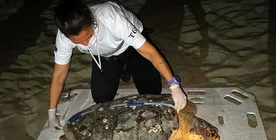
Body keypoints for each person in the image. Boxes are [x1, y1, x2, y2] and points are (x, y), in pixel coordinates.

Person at [48, 0, 187, 131]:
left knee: (151, 93)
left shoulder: (111, 18)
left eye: (88, 37)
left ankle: (129, 67)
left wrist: (174, 85)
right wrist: (52, 113)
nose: (85, 44)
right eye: (78, 42)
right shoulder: (63, 37)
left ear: (93, 22)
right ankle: (122, 68)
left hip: (132, 47)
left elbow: (150, 53)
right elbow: (59, 76)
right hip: (104, 56)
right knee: (101, 99)